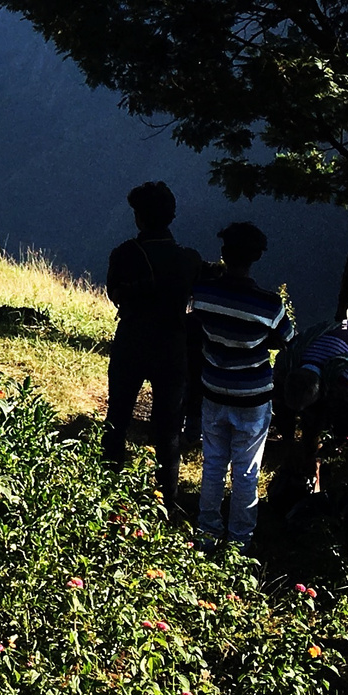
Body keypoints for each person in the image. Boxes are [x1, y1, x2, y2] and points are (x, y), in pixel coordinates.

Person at [190, 221, 295, 548]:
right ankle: (238, 543)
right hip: (252, 398)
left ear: (224, 254)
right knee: (247, 472)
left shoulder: (203, 294)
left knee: (213, 465)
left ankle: (207, 534)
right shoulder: (269, 305)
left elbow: (194, 323)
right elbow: (288, 339)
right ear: (257, 258)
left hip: (213, 390)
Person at [104, 181, 204, 504]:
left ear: (138, 218)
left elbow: (114, 294)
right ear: (171, 216)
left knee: (117, 418)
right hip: (172, 346)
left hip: (131, 340)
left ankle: (107, 486)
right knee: (168, 428)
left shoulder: (123, 254)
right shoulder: (189, 260)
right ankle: (166, 499)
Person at [282, 326, 348, 495]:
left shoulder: (347, 378)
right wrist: (290, 443)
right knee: (310, 429)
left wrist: (341, 437)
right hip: (325, 352)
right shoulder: (291, 364)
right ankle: (314, 489)